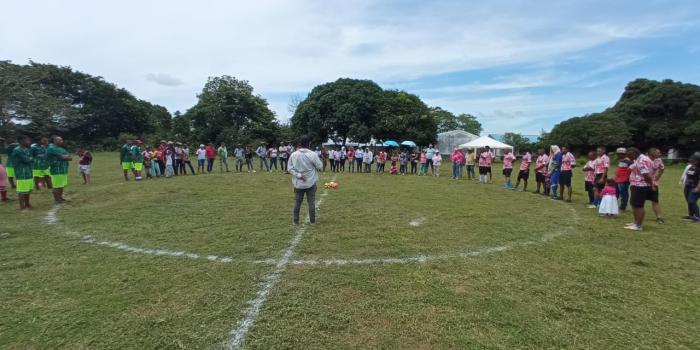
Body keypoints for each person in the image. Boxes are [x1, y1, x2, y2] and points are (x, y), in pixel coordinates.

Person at [288, 136, 323, 225]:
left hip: (298, 183)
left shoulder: (294, 154)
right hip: (310, 182)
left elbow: (289, 168)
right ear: (309, 144)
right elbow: (320, 166)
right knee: (311, 202)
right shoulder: (312, 154)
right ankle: (312, 221)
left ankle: (295, 221)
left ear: (300, 144)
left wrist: (299, 175)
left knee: (297, 202)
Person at [625, 147, 656, 231]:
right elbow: (630, 168)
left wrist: (651, 184)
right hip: (637, 184)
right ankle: (635, 222)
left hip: (640, 185)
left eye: (630, 156)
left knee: (638, 206)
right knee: (634, 203)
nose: (629, 158)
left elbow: (646, 175)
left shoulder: (642, 161)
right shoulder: (640, 159)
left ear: (634, 153)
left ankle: (638, 225)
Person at [46, 136, 72, 204]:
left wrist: (65, 157)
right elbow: (63, 157)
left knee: (61, 185)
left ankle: (60, 198)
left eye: (62, 140)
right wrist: (65, 157)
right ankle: (57, 199)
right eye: (60, 140)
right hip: (56, 170)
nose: (61, 141)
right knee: (57, 186)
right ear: (54, 141)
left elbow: (70, 157)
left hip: (62, 169)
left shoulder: (62, 149)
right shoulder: (51, 148)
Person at [11, 135, 34, 210]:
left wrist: (30, 159)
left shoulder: (27, 149)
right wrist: (30, 159)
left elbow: (31, 159)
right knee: (22, 191)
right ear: (21, 141)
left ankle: (27, 204)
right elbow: (27, 160)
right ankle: (22, 207)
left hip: (28, 172)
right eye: (27, 140)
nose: (29, 142)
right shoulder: (18, 150)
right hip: (21, 173)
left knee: (27, 190)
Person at [682, 152, 700, 223]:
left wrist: (698, 188)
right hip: (688, 186)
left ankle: (698, 217)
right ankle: (691, 215)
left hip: (695, 187)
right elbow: (688, 176)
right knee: (689, 201)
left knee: (692, 201)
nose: (692, 161)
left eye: (695, 160)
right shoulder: (691, 167)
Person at [648, 148, 665, 224]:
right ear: (652, 153)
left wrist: (657, 177)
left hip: (653, 183)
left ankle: (659, 217)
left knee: (655, 200)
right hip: (642, 183)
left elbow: (662, 168)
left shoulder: (659, 160)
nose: (660, 154)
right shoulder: (644, 159)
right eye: (658, 153)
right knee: (639, 202)